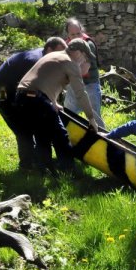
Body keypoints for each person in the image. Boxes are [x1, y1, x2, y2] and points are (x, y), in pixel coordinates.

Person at [15, 38, 99, 174]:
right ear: (78, 52)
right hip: (37, 99)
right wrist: (91, 119)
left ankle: (42, 170)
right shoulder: (70, 63)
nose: (83, 60)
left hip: (21, 97)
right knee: (60, 136)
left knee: (42, 136)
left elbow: (43, 79)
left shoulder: (53, 55)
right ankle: (69, 171)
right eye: (84, 57)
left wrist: (53, 102)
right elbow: (81, 93)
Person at [0, 37, 67, 169]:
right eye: (59, 53)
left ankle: (36, 161)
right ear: (49, 49)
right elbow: (31, 90)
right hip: (1, 91)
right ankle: (27, 166)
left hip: (15, 90)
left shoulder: (45, 58)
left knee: (31, 122)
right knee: (22, 128)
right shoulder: (34, 61)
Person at [63, 18, 105, 129]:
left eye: (78, 33)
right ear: (67, 34)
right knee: (67, 115)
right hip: (73, 85)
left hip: (90, 85)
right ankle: (68, 141)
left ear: (82, 31)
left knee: (95, 120)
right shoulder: (66, 45)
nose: (77, 37)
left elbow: (84, 70)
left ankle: (104, 141)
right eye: (73, 35)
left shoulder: (88, 45)